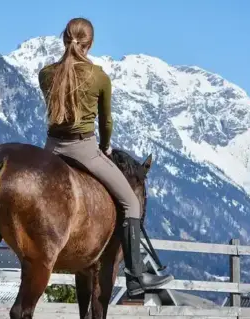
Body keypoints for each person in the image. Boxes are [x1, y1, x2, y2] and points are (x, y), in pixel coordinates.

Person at [38, 17, 173, 298]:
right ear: (90, 44)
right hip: (84, 150)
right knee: (131, 202)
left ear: (64, 39)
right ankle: (136, 275)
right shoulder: (99, 77)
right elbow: (106, 122)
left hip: (51, 150)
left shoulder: (46, 74)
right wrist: (107, 146)